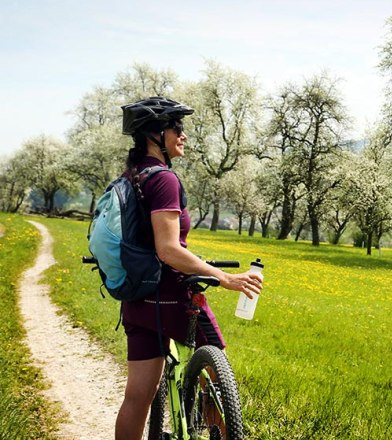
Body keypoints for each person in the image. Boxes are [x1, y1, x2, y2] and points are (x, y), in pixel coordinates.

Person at [114, 97, 263, 440]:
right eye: (176, 127)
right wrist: (224, 277)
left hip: (137, 299)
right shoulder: (164, 179)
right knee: (217, 372)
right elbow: (168, 250)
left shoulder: (131, 176)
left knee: (136, 398)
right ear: (155, 134)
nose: (182, 135)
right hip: (172, 297)